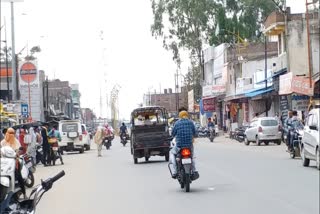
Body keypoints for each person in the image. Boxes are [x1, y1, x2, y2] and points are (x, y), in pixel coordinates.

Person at [170, 110, 199, 179]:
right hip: (189, 145)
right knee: (192, 156)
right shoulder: (191, 122)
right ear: (187, 115)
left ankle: (175, 171)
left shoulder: (177, 123)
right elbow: (195, 133)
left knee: (172, 154)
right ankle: (194, 170)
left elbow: (173, 134)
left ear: (180, 116)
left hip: (179, 145)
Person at [0, 128, 26, 197]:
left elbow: (19, 150)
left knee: (19, 176)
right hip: (4, 162)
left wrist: (17, 154)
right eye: (9, 133)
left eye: (12, 133)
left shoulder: (16, 141)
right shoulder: (3, 142)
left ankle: (24, 193)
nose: (11, 135)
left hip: (14, 161)